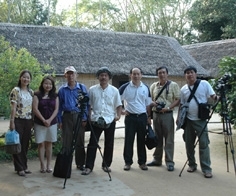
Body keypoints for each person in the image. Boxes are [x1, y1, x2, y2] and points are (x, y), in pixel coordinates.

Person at [82, 67, 122, 175]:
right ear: (98, 77)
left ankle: (106, 165)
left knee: (109, 143)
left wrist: (118, 116)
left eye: (105, 75)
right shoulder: (92, 90)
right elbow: (89, 105)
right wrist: (89, 117)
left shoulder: (114, 90)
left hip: (110, 120)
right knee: (92, 143)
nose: (103, 77)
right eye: (101, 75)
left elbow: (119, 105)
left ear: (109, 77)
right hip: (95, 120)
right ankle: (89, 166)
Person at [179, 66, 218, 178]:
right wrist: (179, 119)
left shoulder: (204, 84)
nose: (189, 74)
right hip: (188, 120)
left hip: (201, 119)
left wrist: (216, 97)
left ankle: (206, 168)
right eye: (187, 73)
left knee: (204, 144)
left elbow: (212, 95)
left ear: (195, 74)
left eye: (191, 72)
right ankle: (192, 164)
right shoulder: (183, 89)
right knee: (189, 144)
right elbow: (182, 104)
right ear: (185, 75)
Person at [147, 66, 180, 171]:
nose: (161, 74)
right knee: (157, 138)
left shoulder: (173, 85)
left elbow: (178, 99)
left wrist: (168, 107)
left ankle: (169, 162)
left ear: (167, 74)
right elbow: (150, 100)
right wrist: (149, 114)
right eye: (159, 73)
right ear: (157, 75)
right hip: (156, 115)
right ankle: (157, 159)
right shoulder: (153, 86)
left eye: (163, 72)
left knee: (169, 139)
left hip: (167, 114)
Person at [119, 67, 152, 171]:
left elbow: (148, 104)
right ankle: (128, 162)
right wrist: (122, 112)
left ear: (141, 75)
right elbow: (116, 100)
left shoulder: (145, 87)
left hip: (142, 117)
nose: (136, 76)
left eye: (138, 74)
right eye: (134, 74)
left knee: (141, 140)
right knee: (129, 140)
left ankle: (142, 162)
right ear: (130, 75)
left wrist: (149, 117)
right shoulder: (125, 87)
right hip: (130, 117)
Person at [57, 66, 88, 171]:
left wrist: (84, 118)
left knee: (80, 140)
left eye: (72, 73)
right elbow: (59, 107)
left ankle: (80, 164)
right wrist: (59, 121)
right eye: (68, 74)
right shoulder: (62, 90)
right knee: (66, 140)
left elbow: (86, 104)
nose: (70, 76)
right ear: (65, 75)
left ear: (76, 75)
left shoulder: (82, 88)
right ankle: (66, 163)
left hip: (79, 115)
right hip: (67, 116)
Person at [9, 70, 34, 176]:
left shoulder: (31, 92)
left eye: (28, 77)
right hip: (18, 120)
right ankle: (19, 168)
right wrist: (12, 121)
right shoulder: (16, 90)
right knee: (17, 144)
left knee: (25, 144)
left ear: (30, 80)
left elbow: (32, 108)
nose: (26, 79)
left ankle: (24, 166)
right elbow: (13, 108)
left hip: (28, 120)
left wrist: (32, 121)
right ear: (20, 78)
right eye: (24, 77)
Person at [33, 76, 59, 173]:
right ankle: (42, 165)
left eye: (50, 84)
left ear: (52, 86)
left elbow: (56, 109)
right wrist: (44, 120)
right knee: (41, 144)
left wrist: (49, 120)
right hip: (40, 122)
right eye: (46, 83)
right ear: (42, 84)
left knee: (49, 144)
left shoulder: (55, 96)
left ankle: (49, 165)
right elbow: (35, 109)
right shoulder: (37, 95)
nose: (48, 85)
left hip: (52, 123)